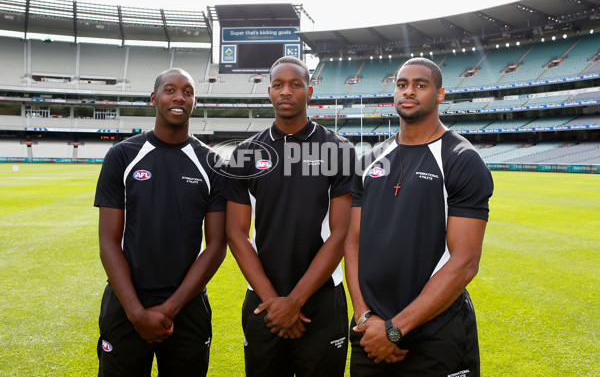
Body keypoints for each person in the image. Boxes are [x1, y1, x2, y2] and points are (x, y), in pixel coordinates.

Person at [345, 57, 494, 376]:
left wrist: (395, 329)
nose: (408, 91)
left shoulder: (461, 160)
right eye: (402, 85)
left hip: (435, 337)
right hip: (369, 334)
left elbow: (465, 261)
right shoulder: (368, 160)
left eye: (420, 85)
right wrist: (364, 318)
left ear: (440, 95)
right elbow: (353, 243)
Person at [224, 56, 355, 376]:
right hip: (263, 299)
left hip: (322, 298)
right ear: (268, 91)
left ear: (309, 91)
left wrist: (295, 301)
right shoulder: (245, 154)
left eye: (295, 84)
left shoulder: (338, 150)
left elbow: (342, 233)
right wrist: (275, 302)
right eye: (279, 85)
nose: (286, 91)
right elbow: (236, 234)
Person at [94, 68, 227, 376]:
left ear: (195, 103)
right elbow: (108, 241)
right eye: (170, 90)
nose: (179, 97)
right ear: (154, 98)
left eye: (188, 92)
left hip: (187, 306)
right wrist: (136, 313)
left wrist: (168, 310)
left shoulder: (212, 164)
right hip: (127, 301)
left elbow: (217, 246)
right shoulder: (122, 156)